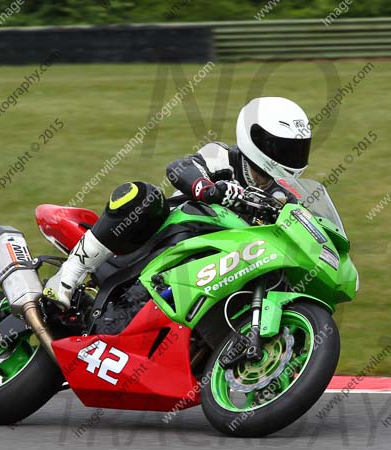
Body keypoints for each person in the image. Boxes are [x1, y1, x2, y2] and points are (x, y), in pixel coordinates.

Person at [43, 96, 312, 309]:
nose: (292, 157)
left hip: (222, 267)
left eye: (298, 150)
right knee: (144, 196)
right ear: (255, 138)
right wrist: (208, 190)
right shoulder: (222, 157)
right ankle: (68, 275)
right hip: (163, 239)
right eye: (283, 148)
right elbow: (179, 168)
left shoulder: (285, 196)